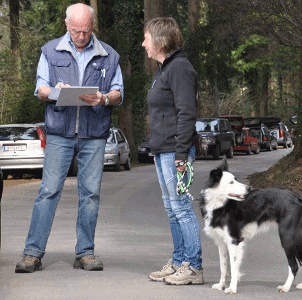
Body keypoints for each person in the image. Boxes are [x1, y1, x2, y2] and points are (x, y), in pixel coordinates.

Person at [15, 3, 123, 273]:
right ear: (67, 25)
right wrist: (55, 91)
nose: (82, 36)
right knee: (48, 192)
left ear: (92, 26)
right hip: (59, 133)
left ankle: (85, 253)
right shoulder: (50, 50)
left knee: (91, 195)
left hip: (94, 134)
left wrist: (104, 98)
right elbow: (39, 88)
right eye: (76, 31)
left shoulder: (109, 54)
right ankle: (32, 253)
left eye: (86, 31)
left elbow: (118, 92)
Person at [142, 17, 203, 285]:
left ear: (160, 40)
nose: (144, 43)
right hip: (162, 150)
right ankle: (179, 262)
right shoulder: (163, 69)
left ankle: (194, 267)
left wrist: (180, 155)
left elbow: (187, 113)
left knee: (181, 208)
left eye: (146, 38)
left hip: (174, 151)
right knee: (172, 208)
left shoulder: (179, 68)